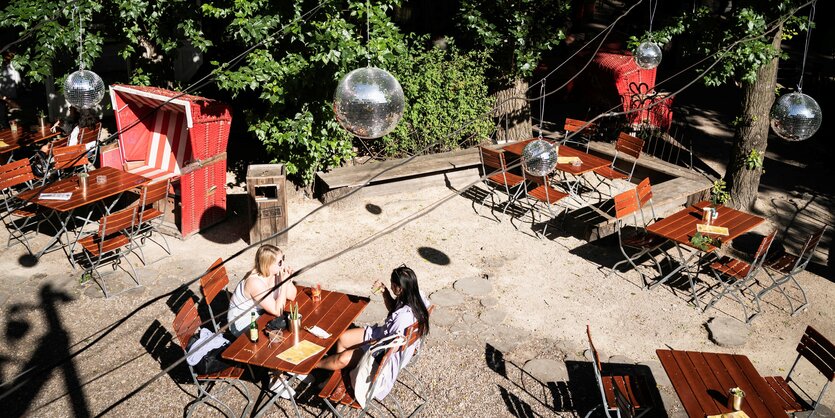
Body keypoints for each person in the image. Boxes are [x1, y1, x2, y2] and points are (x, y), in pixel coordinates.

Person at [314, 265, 431, 401]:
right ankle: (338, 374)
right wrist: (384, 292)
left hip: (381, 354)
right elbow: (394, 309)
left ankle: (315, 366)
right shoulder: (416, 298)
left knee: (341, 359)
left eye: (392, 285)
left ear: (400, 288)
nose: (392, 288)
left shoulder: (402, 318)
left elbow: (387, 346)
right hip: (383, 337)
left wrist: (366, 346)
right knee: (343, 338)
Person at [227, 244, 297, 337]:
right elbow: (278, 311)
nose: (283, 264)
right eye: (280, 262)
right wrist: (283, 285)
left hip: (259, 314)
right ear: (268, 265)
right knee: (278, 333)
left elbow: (292, 296)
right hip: (241, 323)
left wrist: (288, 280)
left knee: (290, 324)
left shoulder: (274, 273)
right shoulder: (255, 283)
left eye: (283, 259)